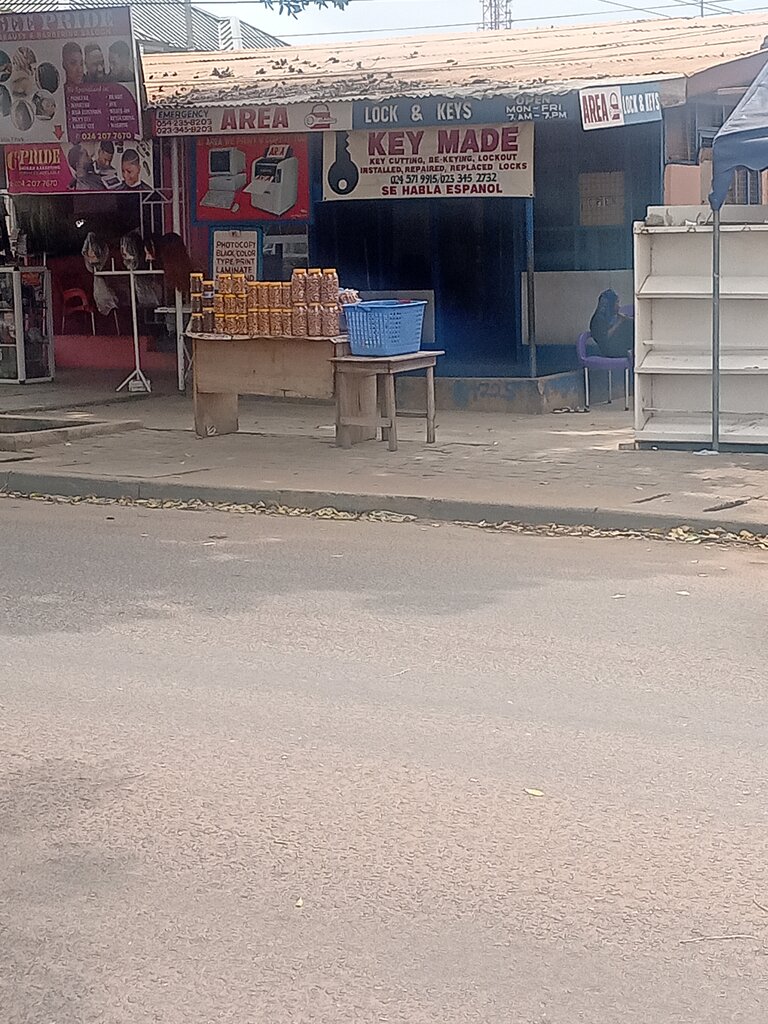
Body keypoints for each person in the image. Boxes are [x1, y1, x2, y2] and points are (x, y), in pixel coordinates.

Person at [589, 289, 633, 359]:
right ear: (610, 304)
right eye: (617, 303)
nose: (619, 306)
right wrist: (619, 322)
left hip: (618, 345)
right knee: (626, 325)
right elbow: (605, 338)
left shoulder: (611, 316)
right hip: (609, 351)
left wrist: (627, 319)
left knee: (630, 323)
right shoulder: (598, 319)